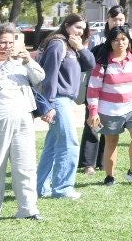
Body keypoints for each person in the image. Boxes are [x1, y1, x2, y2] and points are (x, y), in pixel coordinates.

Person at [0, 24, 47, 222]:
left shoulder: (20, 64)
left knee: (25, 167)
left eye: (10, 43)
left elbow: (40, 77)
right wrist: (6, 63)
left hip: (23, 120)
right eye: (2, 43)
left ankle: (28, 209)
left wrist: (27, 60)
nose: (7, 47)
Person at [34, 13, 94, 201]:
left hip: (65, 100)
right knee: (69, 143)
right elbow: (49, 75)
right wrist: (49, 104)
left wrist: (80, 48)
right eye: (77, 27)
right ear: (67, 25)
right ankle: (63, 188)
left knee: (52, 146)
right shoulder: (57, 44)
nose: (80, 32)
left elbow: (90, 64)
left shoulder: (72, 46)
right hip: (57, 100)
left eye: (83, 29)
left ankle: (40, 188)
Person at [86, 26, 132, 185]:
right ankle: (109, 176)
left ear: (129, 40)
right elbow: (93, 89)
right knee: (111, 142)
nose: (120, 43)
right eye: (116, 40)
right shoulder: (103, 62)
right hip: (109, 110)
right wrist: (93, 112)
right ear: (110, 42)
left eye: (123, 39)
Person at [81, 6, 132, 174]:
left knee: (110, 132)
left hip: (118, 92)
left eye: (121, 19)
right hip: (97, 85)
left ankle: (103, 163)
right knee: (93, 125)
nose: (117, 22)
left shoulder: (130, 35)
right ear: (108, 19)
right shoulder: (97, 37)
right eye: (114, 19)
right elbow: (88, 59)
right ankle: (88, 163)